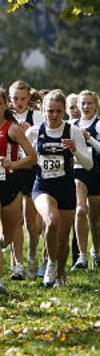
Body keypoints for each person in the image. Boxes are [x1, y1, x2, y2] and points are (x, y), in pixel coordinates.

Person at [27, 90, 93, 286]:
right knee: (52, 221)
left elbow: (88, 164)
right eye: (49, 111)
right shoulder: (34, 132)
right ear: (43, 110)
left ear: (64, 111)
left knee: (63, 238)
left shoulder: (72, 131)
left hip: (65, 187)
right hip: (42, 186)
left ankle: (61, 274)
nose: (53, 115)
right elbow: (23, 157)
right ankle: (50, 263)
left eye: (57, 111)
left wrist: (74, 150)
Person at [0, 86, 36, 294]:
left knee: (10, 234)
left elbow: (32, 157)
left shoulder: (13, 129)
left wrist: (13, 164)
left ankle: (7, 248)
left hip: (11, 186)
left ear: (5, 105)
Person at [9, 80, 44, 280]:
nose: (19, 103)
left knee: (31, 221)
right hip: (13, 169)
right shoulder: (7, 117)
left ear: (29, 98)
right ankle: (17, 263)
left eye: (23, 99)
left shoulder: (37, 116)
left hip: (30, 169)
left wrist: (29, 132)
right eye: (15, 99)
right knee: (15, 220)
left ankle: (32, 256)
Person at [73, 90, 100, 270]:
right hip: (78, 172)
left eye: (89, 103)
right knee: (81, 210)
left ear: (96, 106)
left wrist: (89, 138)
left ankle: (96, 253)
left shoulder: (98, 125)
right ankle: (81, 257)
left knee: (96, 220)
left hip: (96, 173)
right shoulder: (72, 124)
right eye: (82, 103)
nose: (85, 106)